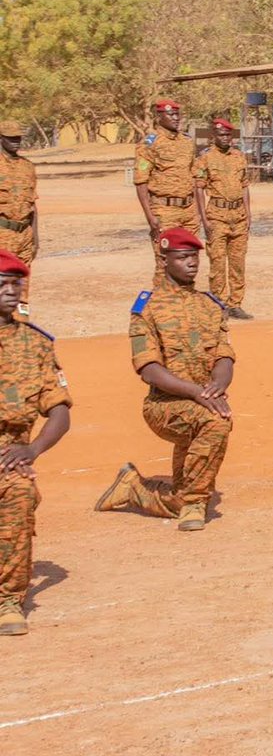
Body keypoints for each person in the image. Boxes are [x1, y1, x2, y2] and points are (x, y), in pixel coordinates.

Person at [95, 228, 237, 532]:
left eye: (195, 257)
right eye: (183, 257)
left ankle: (136, 488)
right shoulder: (147, 308)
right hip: (164, 405)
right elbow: (149, 370)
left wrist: (219, 385)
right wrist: (199, 393)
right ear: (164, 261)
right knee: (216, 422)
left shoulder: (210, 305)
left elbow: (224, 354)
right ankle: (195, 502)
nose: (192, 263)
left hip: (202, 399)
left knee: (181, 485)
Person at [0, 250, 71, 635]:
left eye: (17, 284)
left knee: (20, 491)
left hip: (8, 453)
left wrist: (32, 449)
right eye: (3, 285)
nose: (12, 291)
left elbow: (60, 412)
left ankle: (8, 598)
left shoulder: (36, 345)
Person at [134, 100, 202, 280]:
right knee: (165, 261)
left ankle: (185, 305)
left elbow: (194, 176)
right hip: (164, 210)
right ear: (159, 117)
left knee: (189, 261)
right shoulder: (150, 143)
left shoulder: (187, 142)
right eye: (170, 114)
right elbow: (141, 182)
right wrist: (150, 216)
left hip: (188, 210)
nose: (176, 118)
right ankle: (163, 305)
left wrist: (196, 211)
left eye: (177, 114)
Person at [194, 118, 253, 319]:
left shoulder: (239, 156)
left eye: (228, 135)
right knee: (217, 263)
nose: (226, 138)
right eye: (221, 135)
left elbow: (245, 186)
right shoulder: (205, 158)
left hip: (239, 216)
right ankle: (218, 304)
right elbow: (199, 189)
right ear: (213, 137)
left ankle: (235, 303)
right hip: (217, 216)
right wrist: (204, 219)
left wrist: (249, 213)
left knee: (238, 263)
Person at [0, 121, 37, 316]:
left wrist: (35, 238)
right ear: (1, 139)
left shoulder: (28, 167)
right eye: (11, 138)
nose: (16, 142)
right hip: (3, 234)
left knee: (22, 284)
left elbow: (33, 204)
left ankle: (21, 327)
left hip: (25, 234)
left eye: (18, 138)